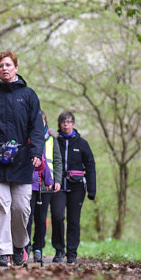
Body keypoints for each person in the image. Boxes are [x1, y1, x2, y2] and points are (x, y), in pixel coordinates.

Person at [0, 50, 44, 267]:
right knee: (0, 207)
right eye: (0, 66)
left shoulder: (29, 95)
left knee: (21, 209)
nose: (4, 69)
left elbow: (36, 127)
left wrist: (36, 152)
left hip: (23, 160)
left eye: (7, 65)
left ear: (16, 67)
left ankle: (20, 245)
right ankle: (3, 252)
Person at [54, 110, 96, 264]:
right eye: (64, 122)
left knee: (73, 220)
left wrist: (92, 189)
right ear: (59, 124)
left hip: (77, 187)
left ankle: (72, 253)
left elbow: (91, 166)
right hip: (58, 186)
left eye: (69, 122)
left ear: (73, 124)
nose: (66, 124)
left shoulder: (82, 144)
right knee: (57, 217)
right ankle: (59, 250)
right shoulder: (55, 141)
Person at [27, 110, 63, 263]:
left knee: (41, 219)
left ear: (45, 122)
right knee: (26, 217)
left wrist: (57, 180)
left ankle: (38, 248)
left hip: (46, 185)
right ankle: (24, 246)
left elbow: (57, 161)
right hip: (29, 184)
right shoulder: (27, 137)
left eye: (41, 121)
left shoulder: (51, 140)